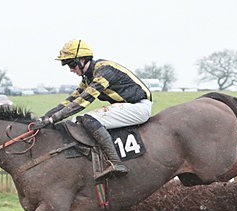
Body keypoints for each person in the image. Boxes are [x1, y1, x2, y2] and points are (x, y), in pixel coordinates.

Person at [32, 39, 153, 180]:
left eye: (72, 64)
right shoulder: (88, 77)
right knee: (76, 120)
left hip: (139, 106)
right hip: (126, 106)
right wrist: (44, 117)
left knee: (88, 119)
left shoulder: (104, 71)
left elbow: (82, 102)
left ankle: (116, 163)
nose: (71, 69)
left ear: (83, 60)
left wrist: (53, 119)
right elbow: (70, 100)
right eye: (67, 65)